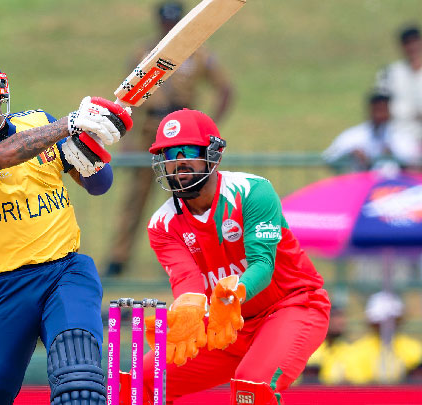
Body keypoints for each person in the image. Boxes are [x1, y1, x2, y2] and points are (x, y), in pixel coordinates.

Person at [0, 51, 132, 404]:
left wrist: (90, 148)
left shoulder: (39, 122)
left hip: (65, 273)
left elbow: (100, 186)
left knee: (79, 381)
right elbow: (1, 156)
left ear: (0, 92)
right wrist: (69, 125)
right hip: (5, 286)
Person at [125, 109, 330, 404]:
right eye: (169, 154)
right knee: (142, 382)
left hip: (291, 306)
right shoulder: (161, 224)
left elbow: (262, 265)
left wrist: (233, 295)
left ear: (214, 154)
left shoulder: (252, 191)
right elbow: (187, 280)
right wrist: (188, 310)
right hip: (226, 325)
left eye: (189, 151)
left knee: (251, 387)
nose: (179, 161)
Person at [106, 0, 234, 276]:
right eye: (166, 22)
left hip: (184, 130)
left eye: (174, 22)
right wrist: (127, 139)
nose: (169, 27)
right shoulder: (144, 53)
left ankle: (196, 255)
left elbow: (225, 89)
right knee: (136, 196)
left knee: (189, 193)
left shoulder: (199, 54)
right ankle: (119, 257)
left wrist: (208, 128)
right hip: (149, 130)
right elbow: (126, 98)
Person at [322, 92, 421, 172]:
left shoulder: (401, 137)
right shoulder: (353, 136)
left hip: (396, 187)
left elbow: (415, 164)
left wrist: (394, 157)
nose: (380, 115)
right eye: (377, 110)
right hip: (361, 186)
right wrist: (350, 154)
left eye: (384, 110)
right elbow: (329, 158)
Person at [374, 25, 422, 141]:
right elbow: (379, 106)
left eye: (415, 42)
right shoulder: (390, 73)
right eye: (407, 43)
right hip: (397, 134)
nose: (412, 47)